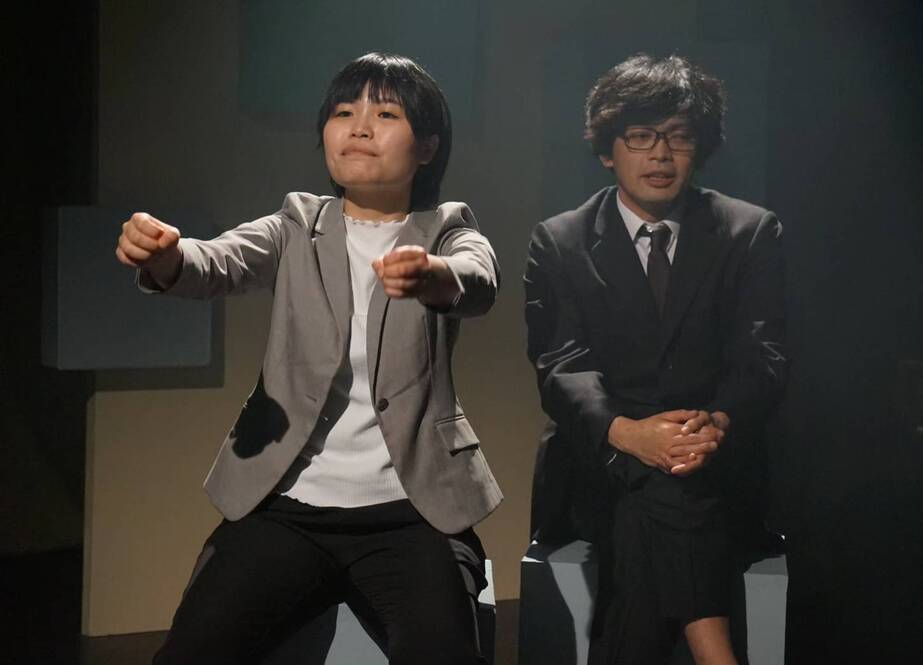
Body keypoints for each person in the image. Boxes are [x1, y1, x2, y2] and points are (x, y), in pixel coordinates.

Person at [116, 52, 501, 665]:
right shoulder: (297, 223)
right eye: (344, 112)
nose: (360, 127)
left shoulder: (447, 228)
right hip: (287, 509)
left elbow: (477, 279)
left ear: (428, 147)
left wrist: (433, 275)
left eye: (386, 114)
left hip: (411, 512)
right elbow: (216, 261)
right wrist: (166, 256)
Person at [524, 54, 787, 665]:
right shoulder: (560, 240)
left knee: (661, 504)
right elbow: (561, 367)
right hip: (600, 461)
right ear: (607, 150)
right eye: (641, 136)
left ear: (701, 148)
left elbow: (764, 358)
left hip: (713, 459)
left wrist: (712, 425)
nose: (661, 155)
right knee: (664, 492)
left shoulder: (749, 231)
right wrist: (630, 435)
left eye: (679, 137)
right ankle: (716, 654)